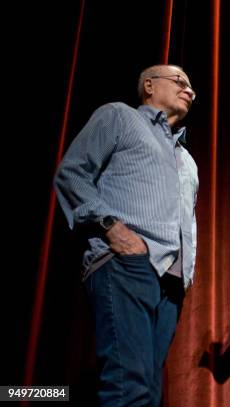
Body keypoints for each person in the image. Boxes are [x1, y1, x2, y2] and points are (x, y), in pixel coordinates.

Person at [54, 64, 198, 406]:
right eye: (180, 82)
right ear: (149, 85)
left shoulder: (188, 160)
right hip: (127, 263)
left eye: (192, 88)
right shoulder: (118, 116)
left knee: (149, 391)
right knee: (127, 386)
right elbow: (71, 173)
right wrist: (112, 228)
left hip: (171, 284)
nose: (190, 91)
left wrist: (186, 273)